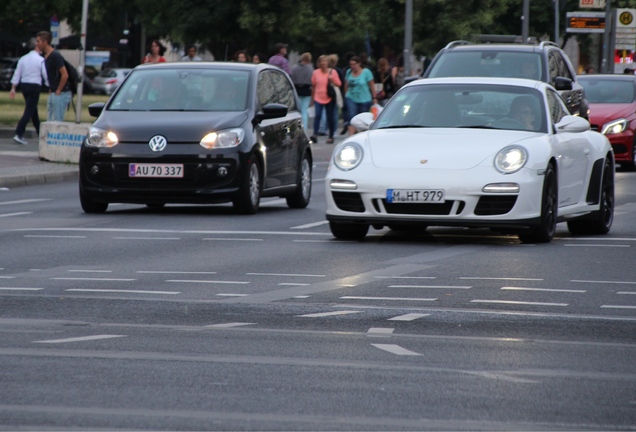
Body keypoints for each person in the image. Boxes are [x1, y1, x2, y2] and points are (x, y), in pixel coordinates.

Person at [9, 37, 47, 145]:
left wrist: (13, 87)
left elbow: (17, 73)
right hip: (35, 85)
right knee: (29, 110)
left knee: (33, 110)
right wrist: (50, 86)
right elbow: (45, 74)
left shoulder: (23, 59)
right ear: (36, 46)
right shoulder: (40, 60)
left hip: (24, 85)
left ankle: (40, 133)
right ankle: (18, 133)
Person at [36, 30, 72, 122]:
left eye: (38, 41)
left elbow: (65, 75)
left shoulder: (55, 56)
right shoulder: (46, 56)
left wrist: (58, 90)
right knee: (50, 121)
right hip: (53, 92)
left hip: (61, 93)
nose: (37, 44)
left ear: (45, 42)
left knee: (57, 121)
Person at [310, 55, 341, 144]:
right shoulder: (315, 73)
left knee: (330, 117)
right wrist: (312, 99)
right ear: (319, 63)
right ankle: (315, 134)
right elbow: (313, 86)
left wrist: (332, 80)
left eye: (325, 61)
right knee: (318, 115)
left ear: (328, 63)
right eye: (321, 61)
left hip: (329, 97)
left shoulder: (332, 72)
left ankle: (331, 136)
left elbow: (339, 84)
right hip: (318, 97)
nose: (323, 63)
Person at [344, 55, 376, 135]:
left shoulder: (366, 72)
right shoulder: (349, 72)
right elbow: (346, 84)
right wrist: (346, 95)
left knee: (362, 118)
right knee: (351, 116)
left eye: (354, 64)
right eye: (351, 65)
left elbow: (372, 85)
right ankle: (350, 136)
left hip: (364, 99)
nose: (352, 66)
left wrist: (374, 97)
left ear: (359, 63)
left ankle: (361, 135)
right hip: (351, 97)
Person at [290, 52, 314, 131]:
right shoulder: (310, 69)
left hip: (297, 90)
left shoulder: (295, 68)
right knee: (304, 110)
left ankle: (297, 128)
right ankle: (304, 128)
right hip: (307, 91)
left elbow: (292, 79)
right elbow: (312, 82)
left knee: (298, 110)